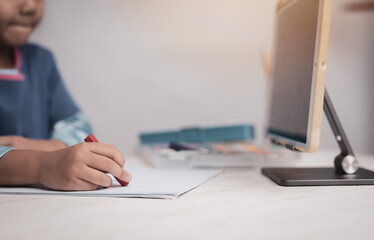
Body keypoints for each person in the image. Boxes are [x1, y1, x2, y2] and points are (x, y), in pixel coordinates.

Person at [0, 0, 131, 190]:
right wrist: (42, 166)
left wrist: (22, 145)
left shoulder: (40, 62)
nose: (29, 6)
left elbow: (78, 129)